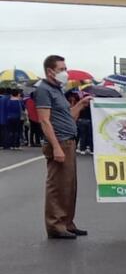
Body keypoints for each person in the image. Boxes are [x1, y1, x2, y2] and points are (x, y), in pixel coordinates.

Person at [35, 55, 92, 240]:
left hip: (69, 141)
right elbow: (45, 121)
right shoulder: (43, 90)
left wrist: (81, 105)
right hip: (59, 142)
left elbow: (68, 116)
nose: (64, 73)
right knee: (57, 186)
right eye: (61, 69)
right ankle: (55, 225)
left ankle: (67, 222)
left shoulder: (58, 89)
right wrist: (56, 147)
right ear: (50, 71)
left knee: (69, 186)